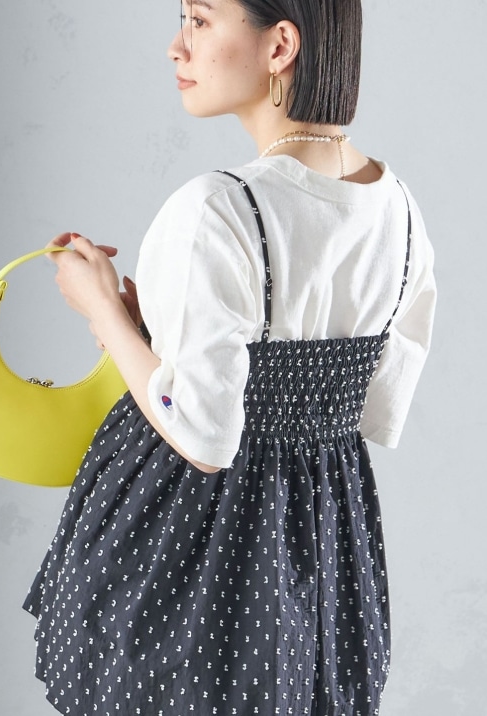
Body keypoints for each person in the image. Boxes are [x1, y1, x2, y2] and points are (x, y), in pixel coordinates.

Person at [23, 1, 436, 714]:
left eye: (200, 20)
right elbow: (375, 408)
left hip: (189, 544)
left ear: (279, 45)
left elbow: (203, 437)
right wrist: (154, 332)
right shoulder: (398, 208)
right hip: (323, 537)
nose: (176, 47)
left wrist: (102, 314)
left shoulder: (217, 206)